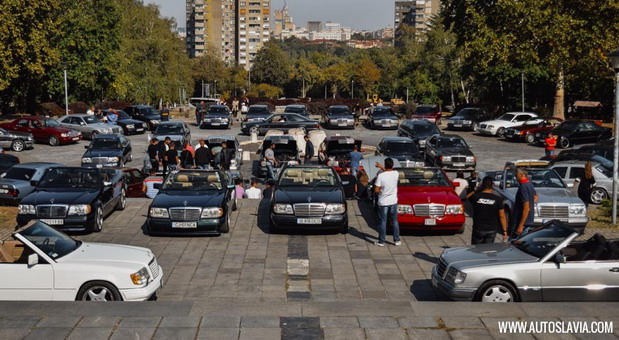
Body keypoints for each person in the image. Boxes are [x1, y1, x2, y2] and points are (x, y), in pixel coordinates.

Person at [468, 176, 508, 244]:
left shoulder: (476, 197)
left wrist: (477, 190)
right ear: (492, 185)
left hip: (478, 227)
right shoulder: (497, 199)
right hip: (491, 229)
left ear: (482, 185)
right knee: (488, 249)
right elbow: (502, 216)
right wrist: (504, 230)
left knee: (476, 249)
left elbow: (467, 197)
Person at [373, 158, 401, 246]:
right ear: (392, 165)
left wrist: (380, 190)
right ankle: (397, 240)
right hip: (393, 201)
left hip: (383, 202)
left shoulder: (381, 176)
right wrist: (381, 167)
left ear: (385, 165)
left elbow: (376, 189)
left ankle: (382, 241)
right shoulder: (396, 174)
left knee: (383, 221)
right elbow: (389, 172)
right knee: (394, 221)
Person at [511, 168, 537, 239]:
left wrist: (520, 225)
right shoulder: (529, 184)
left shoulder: (523, 187)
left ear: (521, 174)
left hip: (521, 221)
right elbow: (536, 195)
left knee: (512, 243)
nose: (515, 177)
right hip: (528, 220)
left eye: (516, 174)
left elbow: (526, 207)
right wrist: (531, 203)